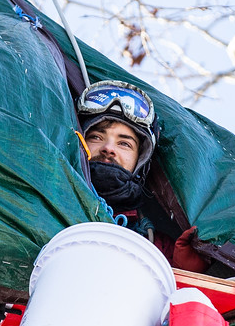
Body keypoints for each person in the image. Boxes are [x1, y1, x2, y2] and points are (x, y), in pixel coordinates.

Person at [77, 80, 207, 271]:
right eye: (96, 137)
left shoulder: (156, 247)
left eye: (124, 144)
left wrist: (184, 272)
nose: (108, 148)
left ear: (141, 161)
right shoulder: (46, 196)